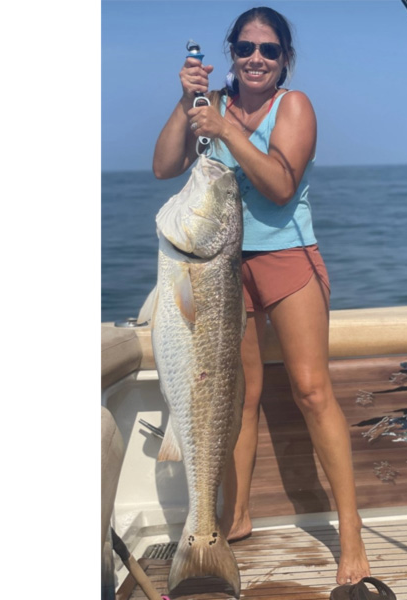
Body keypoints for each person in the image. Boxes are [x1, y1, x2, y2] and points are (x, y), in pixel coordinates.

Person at [152, 6, 371, 586]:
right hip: (222, 265)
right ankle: (235, 516)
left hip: (285, 257)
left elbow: (278, 184)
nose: (256, 58)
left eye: (268, 51)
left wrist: (226, 130)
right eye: (246, 47)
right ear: (231, 51)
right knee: (237, 396)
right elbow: (162, 166)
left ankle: (351, 535)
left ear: (284, 60)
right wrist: (187, 103)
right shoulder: (210, 105)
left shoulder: (293, 107)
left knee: (312, 389)